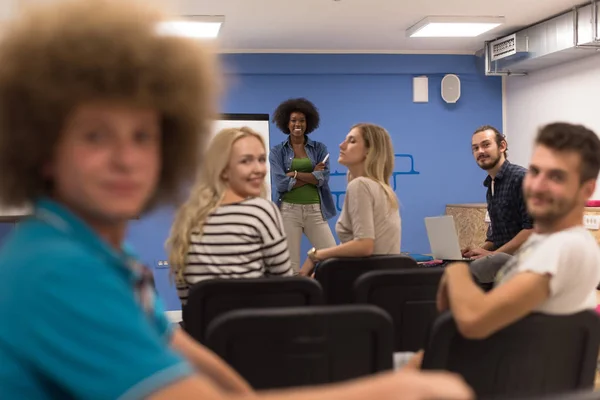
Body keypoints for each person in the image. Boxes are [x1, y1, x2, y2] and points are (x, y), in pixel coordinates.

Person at [0, 1, 475, 399]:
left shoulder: (102, 253)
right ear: (43, 147)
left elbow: (177, 346)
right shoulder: (56, 269)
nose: (126, 158)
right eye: (96, 136)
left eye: (143, 136)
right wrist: (396, 389)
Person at [438, 122, 600, 340]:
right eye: (535, 171)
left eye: (556, 176)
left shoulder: (562, 248)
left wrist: (455, 271)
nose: (536, 185)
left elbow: (474, 321)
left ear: (587, 189)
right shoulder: (547, 243)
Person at [167, 127, 293, 306]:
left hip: (203, 331)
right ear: (224, 170)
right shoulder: (261, 211)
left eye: (261, 160)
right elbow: (285, 288)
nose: (259, 169)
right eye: (246, 161)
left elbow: (188, 299)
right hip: (257, 330)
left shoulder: (187, 218)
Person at [299, 123, 401, 277]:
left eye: (352, 141)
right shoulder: (383, 190)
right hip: (379, 286)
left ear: (369, 150)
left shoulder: (360, 185)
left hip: (361, 285)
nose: (342, 145)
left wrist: (316, 255)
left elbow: (364, 245)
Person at [269, 98, 337, 272]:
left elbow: (322, 179)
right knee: (289, 264)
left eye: (302, 120)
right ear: (287, 123)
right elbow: (281, 184)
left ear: (308, 123)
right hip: (288, 211)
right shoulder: (278, 151)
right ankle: (293, 298)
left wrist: (295, 174)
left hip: (315, 210)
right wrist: (311, 174)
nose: (297, 124)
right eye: (293, 120)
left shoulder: (319, 148)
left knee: (332, 258)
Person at [463, 125, 533, 259]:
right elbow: (496, 237)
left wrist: (493, 255)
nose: (480, 151)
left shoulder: (522, 179)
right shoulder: (491, 184)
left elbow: (533, 229)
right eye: (475, 148)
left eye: (486, 145)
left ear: (502, 146)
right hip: (503, 265)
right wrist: (478, 252)